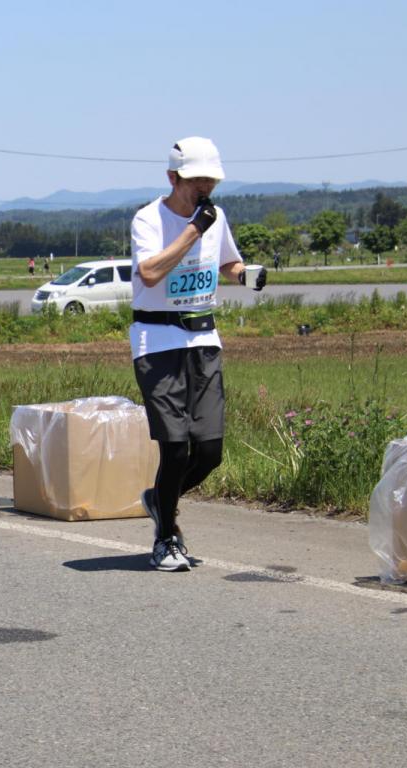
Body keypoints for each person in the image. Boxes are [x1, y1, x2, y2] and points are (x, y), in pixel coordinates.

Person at [130, 136, 266, 571]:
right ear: (173, 178)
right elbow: (150, 273)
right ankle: (165, 539)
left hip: (204, 340)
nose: (205, 187)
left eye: (211, 180)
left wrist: (244, 274)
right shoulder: (149, 219)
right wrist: (193, 230)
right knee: (175, 450)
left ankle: (159, 500)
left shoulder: (215, 217)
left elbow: (227, 261)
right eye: (195, 180)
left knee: (209, 452)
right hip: (157, 341)